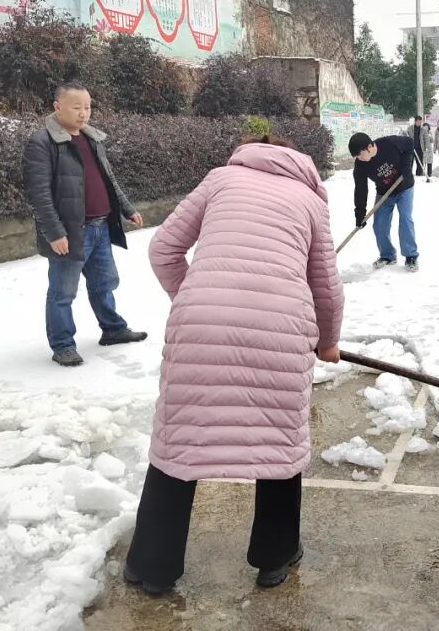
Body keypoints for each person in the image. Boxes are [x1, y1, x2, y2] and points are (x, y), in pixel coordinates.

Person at [125, 135, 344, 595]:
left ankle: (152, 565)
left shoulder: (220, 179)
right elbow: (325, 287)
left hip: (200, 325)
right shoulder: (309, 198)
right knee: (278, 446)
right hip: (281, 329)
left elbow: (163, 249)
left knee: (178, 443)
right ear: (298, 162)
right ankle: (275, 556)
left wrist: (191, 298)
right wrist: (327, 343)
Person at [22, 83, 146, 367]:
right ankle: (63, 344)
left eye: (87, 107)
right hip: (71, 232)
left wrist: (127, 208)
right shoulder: (42, 142)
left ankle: (113, 329)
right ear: (57, 107)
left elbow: (108, 180)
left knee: (104, 284)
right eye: (76, 107)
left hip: (101, 227)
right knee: (62, 292)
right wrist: (54, 233)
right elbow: (38, 194)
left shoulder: (92, 139)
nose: (83, 114)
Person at [349, 132, 419, 271]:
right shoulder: (360, 165)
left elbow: (409, 143)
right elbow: (361, 190)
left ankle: (411, 256)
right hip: (384, 192)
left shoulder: (388, 143)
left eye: (359, 154)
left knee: (405, 219)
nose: (358, 158)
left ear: (369, 147)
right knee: (379, 224)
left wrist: (406, 166)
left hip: (404, 187)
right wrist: (360, 214)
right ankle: (387, 255)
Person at [404, 115, 432, 183]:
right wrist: (405, 134)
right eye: (418, 122)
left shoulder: (423, 130)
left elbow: (426, 139)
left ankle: (418, 176)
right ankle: (408, 176)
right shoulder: (410, 128)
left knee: (420, 163)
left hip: (419, 149)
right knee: (410, 163)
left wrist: (428, 148)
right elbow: (404, 137)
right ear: (415, 121)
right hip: (411, 149)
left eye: (420, 122)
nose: (419, 123)